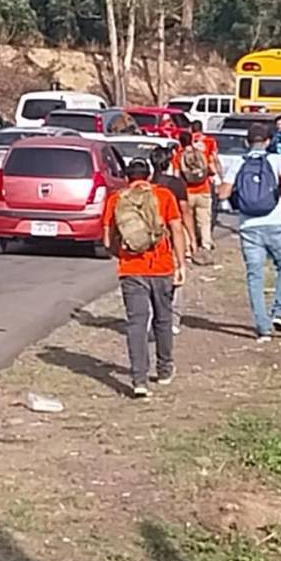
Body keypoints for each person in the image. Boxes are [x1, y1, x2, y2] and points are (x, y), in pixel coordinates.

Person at [103, 159, 186, 398]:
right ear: (149, 176)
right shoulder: (164, 195)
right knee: (163, 319)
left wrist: (122, 254)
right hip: (162, 267)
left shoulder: (116, 199)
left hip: (131, 269)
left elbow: (108, 241)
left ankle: (139, 379)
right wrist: (180, 263)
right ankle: (164, 369)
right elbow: (177, 229)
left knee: (136, 324)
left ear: (128, 177)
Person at [218, 124, 281, 343]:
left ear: (247, 142)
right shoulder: (276, 160)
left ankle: (262, 327)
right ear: (268, 141)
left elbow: (223, 193)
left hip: (248, 227)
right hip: (275, 222)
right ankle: (278, 312)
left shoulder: (239, 163)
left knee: (255, 275)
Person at [150, 147, 191, 335]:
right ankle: (173, 318)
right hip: (173, 233)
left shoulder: (148, 183)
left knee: (154, 277)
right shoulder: (176, 184)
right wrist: (192, 236)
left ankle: (155, 316)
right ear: (169, 162)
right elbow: (185, 211)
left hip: (152, 235)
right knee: (177, 278)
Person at [173, 130, 216, 259]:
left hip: (187, 193)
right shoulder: (201, 153)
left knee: (187, 221)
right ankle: (206, 244)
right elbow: (212, 170)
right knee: (205, 221)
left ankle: (188, 248)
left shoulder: (179, 156)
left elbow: (175, 175)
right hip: (204, 190)